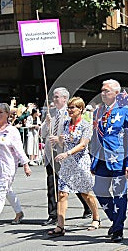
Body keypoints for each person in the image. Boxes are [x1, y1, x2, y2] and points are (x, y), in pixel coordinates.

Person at [90, 79, 128, 243]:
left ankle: (118, 229)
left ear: (116, 94)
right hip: (101, 159)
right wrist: (92, 160)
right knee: (99, 190)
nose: (102, 93)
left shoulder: (125, 111)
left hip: (119, 159)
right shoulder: (98, 111)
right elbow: (95, 137)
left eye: (106, 91)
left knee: (119, 195)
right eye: (102, 90)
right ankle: (116, 219)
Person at [47, 97, 100, 237]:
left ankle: (96, 217)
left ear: (80, 109)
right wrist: (55, 137)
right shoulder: (65, 124)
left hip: (81, 162)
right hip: (67, 164)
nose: (70, 110)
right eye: (69, 107)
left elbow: (83, 144)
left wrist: (67, 153)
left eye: (72, 108)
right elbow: (62, 141)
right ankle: (60, 226)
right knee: (62, 193)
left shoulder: (86, 125)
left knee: (86, 193)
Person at [40, 87, 91, 226]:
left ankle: (88, 206)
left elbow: (73, 136)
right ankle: (53, 214)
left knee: (73, 182)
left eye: (57, 97)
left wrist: (60, 139)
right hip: (52, 154)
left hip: (66, 154)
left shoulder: (70, 115)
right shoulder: (51, 114)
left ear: (64, 99)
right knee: (52, 183)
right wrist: (47, 123)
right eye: (54, 97)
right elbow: (42, 133)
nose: (54, 99)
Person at [0, 103, 32, 231]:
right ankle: (19, 213)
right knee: (7, 190)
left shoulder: (12, 131)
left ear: (7, 114)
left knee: (1, 191)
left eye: (1, 112)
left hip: (8, 165)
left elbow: (19, 149)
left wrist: (25, 164)